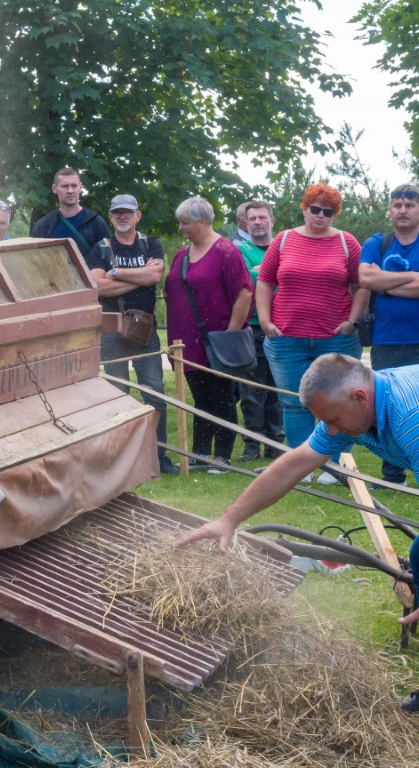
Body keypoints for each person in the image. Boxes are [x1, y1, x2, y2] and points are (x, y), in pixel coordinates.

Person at [174, 353, 419, 712]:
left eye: (333, 420)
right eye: (324, 422)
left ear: (360, 397)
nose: (331, 431)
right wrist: (229, 519)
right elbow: (293, 466)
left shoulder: (409, 419)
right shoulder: (351, 410)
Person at [256, 183, 367, 484]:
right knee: (294, 401)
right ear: (304, 209)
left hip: (337, 338)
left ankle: (334, 464)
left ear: (334, 215)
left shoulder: (347, 242)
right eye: (314, 209)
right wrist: (265, 321)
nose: (320, 215)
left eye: (327, 212)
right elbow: (265, 282)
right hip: (286, 338)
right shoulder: (283, 240)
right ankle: (300, 464)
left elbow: (362, 285)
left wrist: (352, 322)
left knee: (340, 402)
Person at [84, 194, 178, 474]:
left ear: (138, 215)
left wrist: (114, 273)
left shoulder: (151, 244)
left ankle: (159, 457)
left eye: (128, 212)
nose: (123, 217)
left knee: (155, 393)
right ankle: (119, 461)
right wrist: (135, 276)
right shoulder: (100, 247)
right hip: (111, 330)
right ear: (111, 217)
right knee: (117, 394)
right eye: (117, 213)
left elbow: (154, 278)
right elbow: (96, 288)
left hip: (145, 331)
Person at [163, 196, 254, 471]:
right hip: (186, 341)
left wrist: (230, 334)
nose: (181, 228)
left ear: (203, 221)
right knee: (200, 398)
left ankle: (222, 454)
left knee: (223, 397)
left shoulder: (226, 251)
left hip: (217, 340)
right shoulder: (181, 254)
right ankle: (200, 452)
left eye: (185, 222)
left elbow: (245, 291)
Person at [359, 182, 419, 486]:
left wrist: (386, 283)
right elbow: (365, 277)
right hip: (386, 339)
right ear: (390, 210)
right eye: (397, 205)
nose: (403, 210)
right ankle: (392, 475)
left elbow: (376, 279)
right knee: (384, 406)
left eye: (409, 204)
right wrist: (411, 277)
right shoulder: (377, 243)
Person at [236, 201, 284, 462]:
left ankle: (276, 441)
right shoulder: (239, 250)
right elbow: (245, 278)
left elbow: (285, 277)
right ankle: (252, 442)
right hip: (251, 326)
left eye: (262, 217)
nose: (257, 222)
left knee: (278, 388)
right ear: (245, 222)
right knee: (251, 390)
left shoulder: (284, 247)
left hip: (281, 326)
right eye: (252, 218)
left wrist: (263, 274)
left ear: (271, 221)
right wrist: (273, 275)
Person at [29, 167, 111, 256]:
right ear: (54, 188)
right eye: (65, 186)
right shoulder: (44, 226)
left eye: (74, 186)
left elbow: (107, 260)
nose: (70, 191)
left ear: (80, 187)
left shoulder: (96, 223)